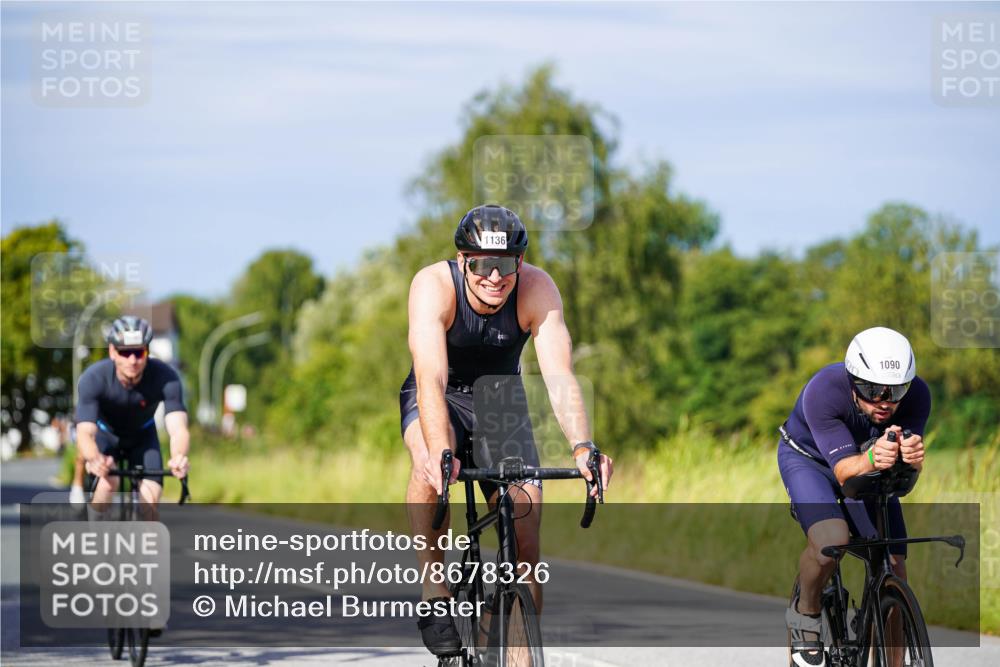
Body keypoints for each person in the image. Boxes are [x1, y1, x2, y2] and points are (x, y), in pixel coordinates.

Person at [401, 204, 614, 656]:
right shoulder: (433, 287)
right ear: (463, 262)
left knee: (526, 543)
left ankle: (510, 648)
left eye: (504, 265)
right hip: (441, 395)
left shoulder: (538, 288)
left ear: (519, 262)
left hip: (500, 401)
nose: (494, 277)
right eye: (481, 264)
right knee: (427, 463)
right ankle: (434, 587)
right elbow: (431, 381)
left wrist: (583, 447)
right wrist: (442, 452)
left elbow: (559, 377)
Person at [779, 327, 929, 667]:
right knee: (832, 541)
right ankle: (806, 616)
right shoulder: (824, 390)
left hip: (868, 460)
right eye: (872, 390)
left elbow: (902, 486)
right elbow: (845, 473)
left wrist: (913, 464)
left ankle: (895, 661)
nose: (885, 401)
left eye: (896, 391)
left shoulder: (918, 395)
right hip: (811, 461)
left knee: (894, 563)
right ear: (852, 380)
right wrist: (874, 459)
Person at [76, 315, 191, 522]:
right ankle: (93, 533)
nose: (133, 360)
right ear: (112, 352)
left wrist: (179, 457)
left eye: (139, 352)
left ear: (147, 352)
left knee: (149, 501)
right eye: (125, 352)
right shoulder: (93, 378)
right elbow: (85, 431)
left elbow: (178, 427)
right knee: (106, 484)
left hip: (143, 436)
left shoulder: (166, 377)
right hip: (106, 436)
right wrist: (94, 458)